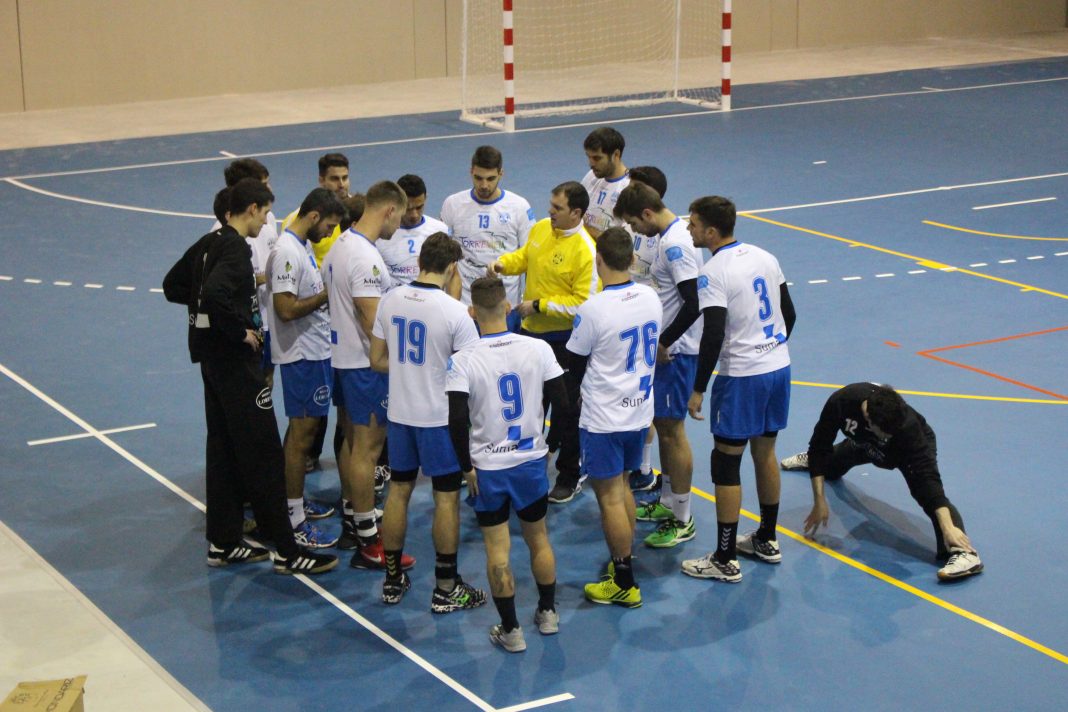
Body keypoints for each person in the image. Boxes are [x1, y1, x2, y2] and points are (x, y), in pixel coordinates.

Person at [162, 177, 337, 575]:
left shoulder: (209, 243)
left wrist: (205, 318)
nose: (266, 223)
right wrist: (238, 330)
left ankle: (223, 542)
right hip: (238, 366)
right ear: (252, 209)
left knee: (223, 450)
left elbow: (174, 286)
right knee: (264, 455)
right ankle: (289, 551)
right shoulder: (237, 248)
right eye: (264, 213)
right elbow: (215, 297)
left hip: (211, 364)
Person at [446, 276, 568, 652]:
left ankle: (511, 630)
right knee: (538, 539)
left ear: (472, 313)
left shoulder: (463, 360)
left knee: (497, 550)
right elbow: (564, 405)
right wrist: (551, 447)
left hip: (489, 469)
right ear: (507, 306)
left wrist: (466, 466)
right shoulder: (538, 349)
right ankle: (547, 613)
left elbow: (454, 419)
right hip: (530, 461)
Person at [681, 196, 795, 583]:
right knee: (765, 452)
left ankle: (725, 558)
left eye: (693, 224)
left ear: (711, 231)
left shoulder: (714, 271)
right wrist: (770, 349)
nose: (689, 229)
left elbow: (713, 332)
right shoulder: (765, 256)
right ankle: (766, 537)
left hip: (742, 377)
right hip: (777, 368)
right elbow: (789, 312)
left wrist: (699, 388)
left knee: (726, 463)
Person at [370, 234, 486, 612]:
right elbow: (472, 376)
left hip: (401, 416)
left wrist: (410, 370)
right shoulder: (455, 313)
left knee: (398, 493)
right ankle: (446, 586)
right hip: (439, 421)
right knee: (446, 498)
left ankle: (391, 580)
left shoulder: (391, 299)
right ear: (453, 267)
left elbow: (377, 359)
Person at [783, 383, 983, 580]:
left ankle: (964, 554)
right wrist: (820, 500)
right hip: (866, 443)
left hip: (903, 450)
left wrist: (947, 528)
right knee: (826, 463)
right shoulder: (843, 401)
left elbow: (929, 481)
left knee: (924, 493)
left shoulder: (907, 428)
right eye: (884, 433)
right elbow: (819, 444)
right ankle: (818, 460)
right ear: (868, 420)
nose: (888, 436)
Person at [567, 227, 663, 608]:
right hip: (639, 411)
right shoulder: (650, 297)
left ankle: (624, 580)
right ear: (633, 259)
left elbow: (573, 366)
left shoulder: (593, 310)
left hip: (604, 418)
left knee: (608, 497)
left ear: (598, 260)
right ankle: (623, 558)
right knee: (623, 486)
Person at [321, 180, 414, 570]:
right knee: (368, 449)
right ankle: (368, 541)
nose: (401, 225)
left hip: (343, 360)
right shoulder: (366, 258)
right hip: (366, 366)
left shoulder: (341, 246)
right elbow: (372, 318)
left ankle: (353, 516)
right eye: (401, 215)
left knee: (351, 442)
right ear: (389, 210)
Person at [489, 181, 600, 504]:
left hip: (565, 343)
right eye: (551, 206)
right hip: (531, 337)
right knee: (530, 406)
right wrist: (502, 264)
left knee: (566, 411)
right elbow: (525, 257)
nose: (549, 213)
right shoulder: (540, 230)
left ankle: (569, 474)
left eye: (557, 208)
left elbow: (585, 303)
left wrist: (539, 305)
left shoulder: (585, 251)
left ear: (576, 213)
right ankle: (527, 467)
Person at [613, 182, 703, 549]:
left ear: (647, 214)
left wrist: (664, 341)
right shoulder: (671, 235)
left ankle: (682, 518)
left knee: (672, 430)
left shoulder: (675, 245)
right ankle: (668, 502)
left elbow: (693, 302)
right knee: (665, 429)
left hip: (676, 353)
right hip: (668, 351)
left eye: (635, 224)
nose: (635, 232)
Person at [265, 187, 346, 547]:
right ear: (313, 217)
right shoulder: (286, 252)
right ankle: (293, 518)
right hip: (300, 357)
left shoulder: (301, 248)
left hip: (313, 354)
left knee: (305, 433)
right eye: (328, 225)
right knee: (301, 436)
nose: (330, 233)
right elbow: (284, 308)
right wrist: (326, 295)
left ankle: (293, 503)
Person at [440, 145, 534, 322]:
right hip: (464, 307)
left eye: (491, 178)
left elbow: (530, 255)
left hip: (506, 307)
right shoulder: (452, 204)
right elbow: (443, 254)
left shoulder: (519, 207)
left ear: (501, 173)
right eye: (478, 178)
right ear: (471, 172)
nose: (484, 185)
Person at [621, 165, 667, 492]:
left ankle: (645, 467)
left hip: (650, 327)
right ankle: (641, 465)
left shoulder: (664, 240)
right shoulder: (635, 228)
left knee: (645, 400)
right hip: (630, 319)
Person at [212, 158, 279, 385]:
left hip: (268, 320)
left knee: (267, 379)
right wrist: (263, 278)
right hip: (246, 324)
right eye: (264, 185)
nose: (269, 190)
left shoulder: (267, 217)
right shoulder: (221, 233)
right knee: (248, 383)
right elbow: (217, 289)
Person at [377, 174, 450, 289]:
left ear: (426, 198)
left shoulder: (441, 230)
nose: (414, 215)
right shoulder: (381, 234)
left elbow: (452, 274)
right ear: (397, 203)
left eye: (419, 207)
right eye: (408, 208)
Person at [281, 153, 352, 266]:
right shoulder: (299, 219)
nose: (341, 184)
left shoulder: (359, 209)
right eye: (334, 179)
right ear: (321, 180)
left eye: (345, 178)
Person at [580, 127, 630, 240]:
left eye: (597, 158)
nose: (591, 163)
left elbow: (621, 243)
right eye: (589, 157)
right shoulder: (591, 176)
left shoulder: (630, 189)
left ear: (616, 155)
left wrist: (582, 227)